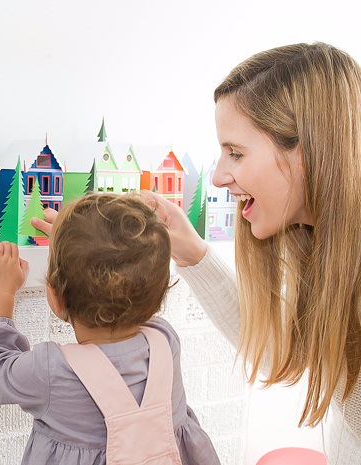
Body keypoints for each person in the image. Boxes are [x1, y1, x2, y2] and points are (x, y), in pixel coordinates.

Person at [35, 42, 361, 463]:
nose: (219, 176)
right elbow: (280, 352)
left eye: (236, 153)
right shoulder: (315, 251)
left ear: (308, 151)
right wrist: (191, 254)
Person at [0, 193, 220, 465]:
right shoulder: (165, 341)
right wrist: (78, 247)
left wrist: (2, 291)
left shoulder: (51, 369)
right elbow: (127, 276)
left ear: (56, 298)